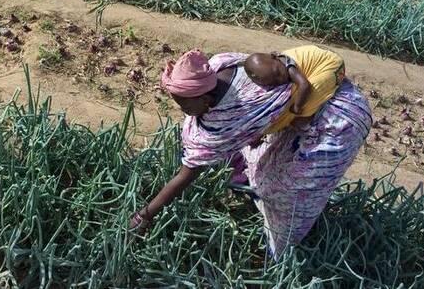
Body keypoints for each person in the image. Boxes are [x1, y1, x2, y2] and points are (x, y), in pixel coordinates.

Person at [129, 47, 371, 259]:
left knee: (294, 193)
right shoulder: (220, 65)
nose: (182, 109)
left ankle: (282, 254)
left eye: (184, 104)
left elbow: (186, 174)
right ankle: (260, 199)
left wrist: (144, 216)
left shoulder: (227, 120)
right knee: (265, 166)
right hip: (313, 99)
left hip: (339, 120)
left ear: (204, 99)